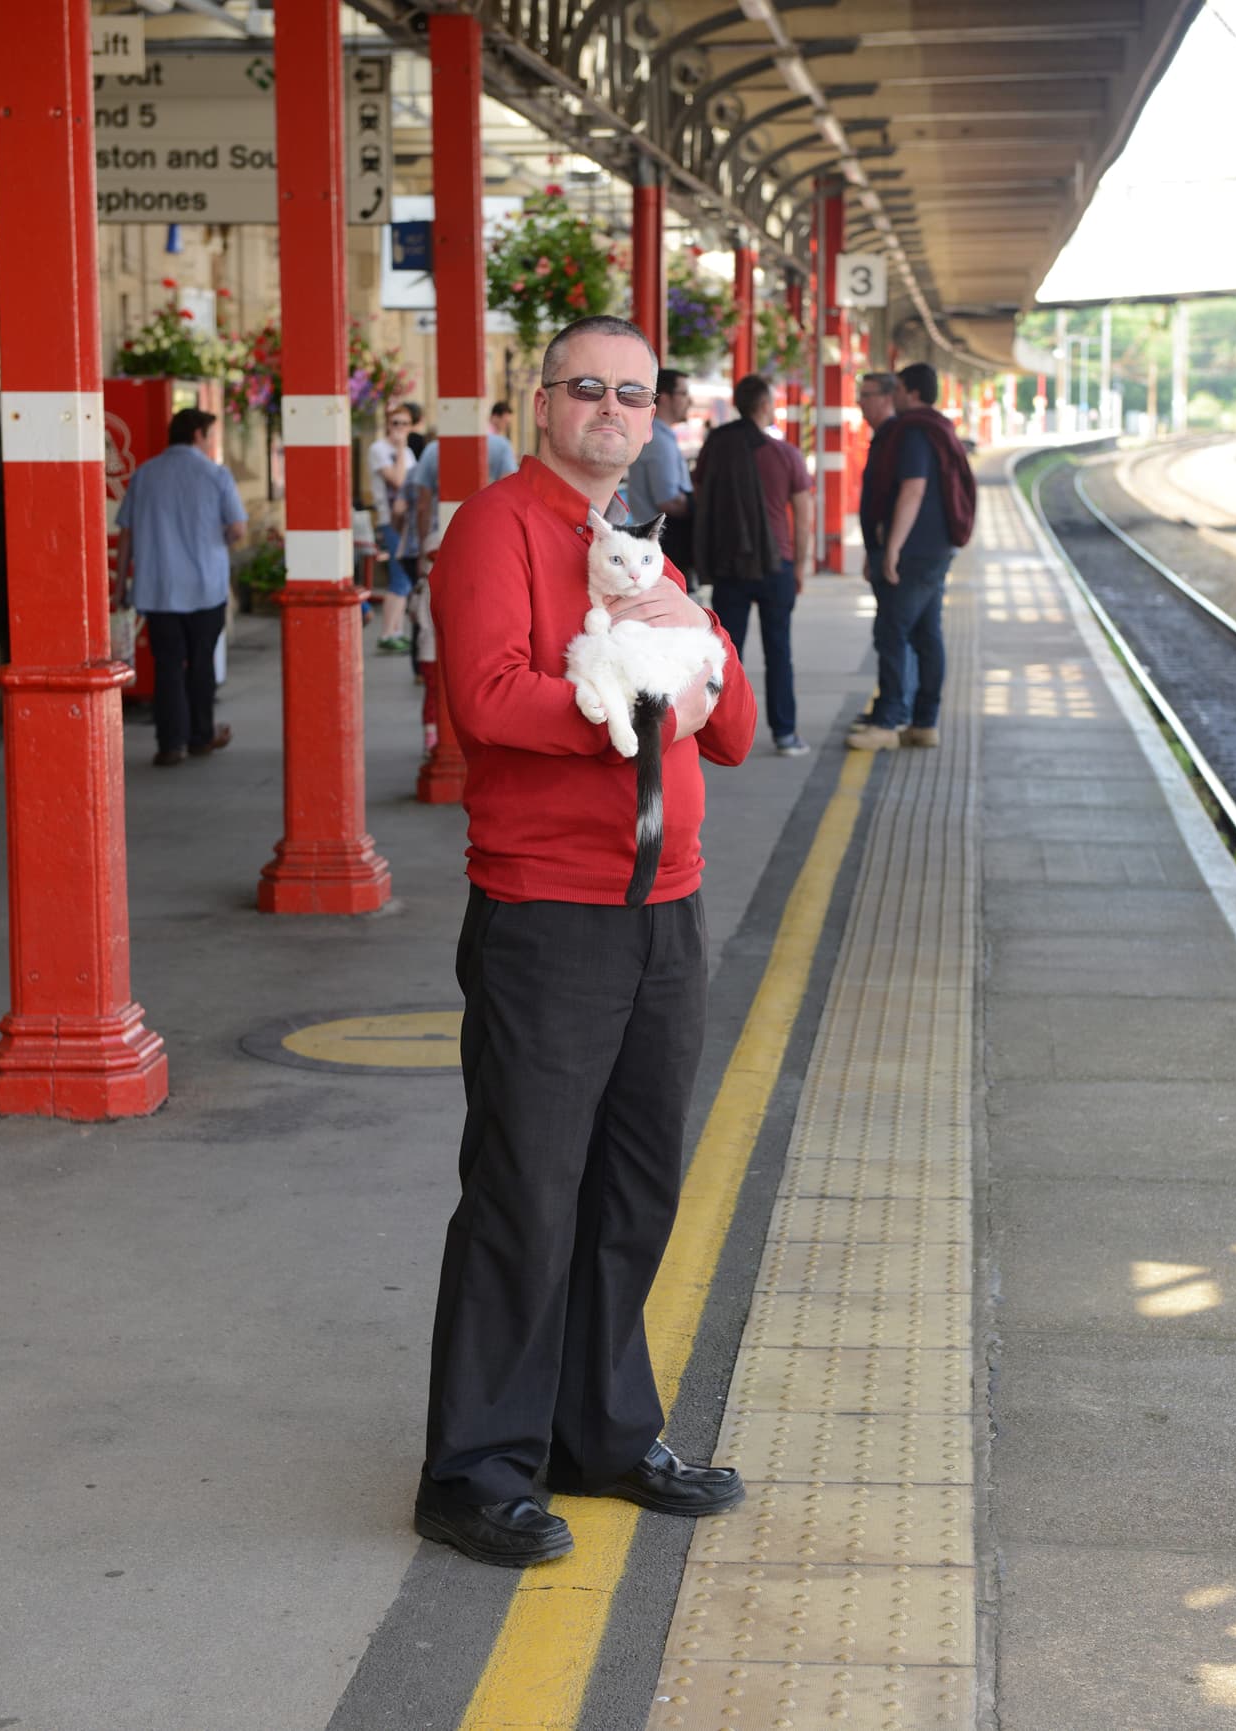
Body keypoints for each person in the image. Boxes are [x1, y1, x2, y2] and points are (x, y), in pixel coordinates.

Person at [416, 314, 757, 1569]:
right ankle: (474, 1468)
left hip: (665, 905)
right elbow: (490, 702)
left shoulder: (648, 543)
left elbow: (731, 729)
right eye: (588, 390)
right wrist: (629, 706)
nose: (614, 411)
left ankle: (603, 1433)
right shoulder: (494, 529)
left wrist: (686, 629)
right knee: (524, 1189)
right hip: (547, 911)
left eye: (636, 394)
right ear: (541, 400)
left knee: (634, 1184)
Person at [847, 362, 972, 752]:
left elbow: (913, 490)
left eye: (897, 388)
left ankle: (889, 721)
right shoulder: (933, 427)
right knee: (925, 634)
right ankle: (923, 722)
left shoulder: (914, 432)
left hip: (914, 552)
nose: (894, 395)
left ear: (911, 392)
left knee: (892, 633)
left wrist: (893, 548)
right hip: (932, 549)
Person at [114, 407, 246, 767]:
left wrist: (119, 585)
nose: (212, 442)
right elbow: (237, 530)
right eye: (211, 435)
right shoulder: (217, 475)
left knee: (167, 666)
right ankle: (201, 736)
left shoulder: (144, 475)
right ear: (198, 436)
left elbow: (125, 533)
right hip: (205, 588)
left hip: (158, 590)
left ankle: (171, 743)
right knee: (201, 663)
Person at [693, 372, 813, 757]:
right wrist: (800, 564)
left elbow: (701, 492)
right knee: (780, 650)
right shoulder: (786, 454)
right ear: (764, 406)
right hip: (776, 564)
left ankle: (719, 735)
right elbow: (804, 513)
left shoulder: (717, 445)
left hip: (730, 563)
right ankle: (786, 734)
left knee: (727, 655)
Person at [394, 431, 518, 754]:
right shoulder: (501, 446)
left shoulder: (433, 450)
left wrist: (422, 546)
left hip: (438, 538)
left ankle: (434, 733)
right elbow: (509, 490)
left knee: (433, 626)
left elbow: (422, 502)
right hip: (494, 541)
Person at [853, 372, 914, 734]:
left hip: (893, 554)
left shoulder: (894, 437)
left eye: (867, 395)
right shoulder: (885, 437)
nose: (861, 402)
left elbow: (901, 496)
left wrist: (887, 549)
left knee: (892, 632)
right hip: (881, 549)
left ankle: (892, 712)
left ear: (888, 397)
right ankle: (893, 707)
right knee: (893, 631)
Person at [625, 367, 696, 589]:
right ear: (664, 398)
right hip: (664, 542)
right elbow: (669, 501)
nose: (689, 401)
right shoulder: (659, 441)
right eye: (683, 394)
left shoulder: (660, 436)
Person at [367, 404, 417, 653]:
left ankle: (396, 630)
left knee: (405, 579)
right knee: (398, 577)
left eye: (405, 424)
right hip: (390, 519)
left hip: (408, 520)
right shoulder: (379, 450)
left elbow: (414, 484)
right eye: (396, 423)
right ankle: (387, 632)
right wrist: (398, 449)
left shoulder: (407, 452)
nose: (400, 428)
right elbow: (398, 481)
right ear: (388, 424)